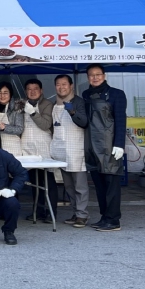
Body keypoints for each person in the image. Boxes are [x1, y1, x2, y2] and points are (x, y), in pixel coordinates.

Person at [82, 64, 127, 232]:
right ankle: (104, 217)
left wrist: (119, 144)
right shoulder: (86, 95)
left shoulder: (116, 94)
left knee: (111, 186)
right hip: (92, 147)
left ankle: (113, 220)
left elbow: (121, 120)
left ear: (104, 75)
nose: (95, 78)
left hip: (110, 147)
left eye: (98, 74)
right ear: (88, 77)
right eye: (91, 75)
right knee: (99, 186)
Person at [51, 74, 89, 228]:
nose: (61, 87)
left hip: (76, 148)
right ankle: (75, 212)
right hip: (60, 149)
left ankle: (82, 215)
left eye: (64, 84)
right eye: (58, 84)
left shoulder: (79, 102)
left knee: (80, 185)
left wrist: (73, 112)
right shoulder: (54, 104)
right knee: (68, 186)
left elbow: (84, 122)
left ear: (71, 86)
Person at [20, 78, 56, 222]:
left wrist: (33, 113)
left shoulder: (47, 104)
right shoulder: (21, 104)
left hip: (43, 145)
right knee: (35, 182)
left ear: (41, 91)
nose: (32, 91)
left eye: (35, 89)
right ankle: (38, 211)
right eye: (29, 89)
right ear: (25, 91)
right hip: (27, 146)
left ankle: (52, 212)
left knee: (48, 180)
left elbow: (46, 124)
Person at [0, 81, 24, 156]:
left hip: (12, 145)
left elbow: (20, 129)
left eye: (5, 93)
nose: (2, 96)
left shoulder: (16, 108)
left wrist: (5, 127)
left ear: (10, 94)